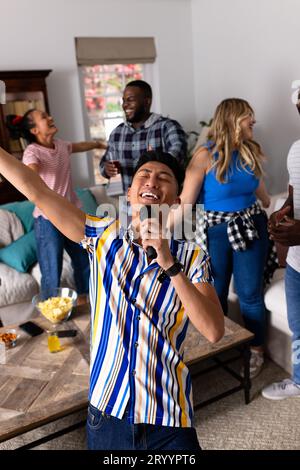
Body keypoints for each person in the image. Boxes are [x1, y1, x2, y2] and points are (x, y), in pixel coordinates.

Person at [0, 146, 224, 450]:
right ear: (130, 192)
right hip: (107, 416)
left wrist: (169, 263)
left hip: (169, 419)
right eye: (144, 174)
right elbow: (35, 189)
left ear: (175, 199)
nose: (152, 181)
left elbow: (213, 330)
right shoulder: (101, 236)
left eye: (164, 177)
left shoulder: (194, 257)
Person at [176, 98, 272, 379]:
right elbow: (184, 204)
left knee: (249, 295)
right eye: (248, 117)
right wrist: (154, 226)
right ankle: (216, 348)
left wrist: (267, 201)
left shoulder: (251, 151)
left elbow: (262, 193)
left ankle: (256, 351)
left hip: (252, 226)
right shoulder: (204, 156)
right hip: (217, 231)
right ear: (231, 120)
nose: (253, 121)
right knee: (214, 292)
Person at [6, 109, 107, 301]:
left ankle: (88, 303)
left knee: (84, 261)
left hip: (72, 215)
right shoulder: (32, 152)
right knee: (52, 269)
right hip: (47, 221)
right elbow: (30, 176)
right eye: (44, 117)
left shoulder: (61, 145)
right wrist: (32, 175)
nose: (50, 117)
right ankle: (51, 312)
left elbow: (80, 145)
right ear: (35, 130)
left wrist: (98, 143)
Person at [262, 92, 300, 400]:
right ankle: (299, 380)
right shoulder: (296, 149)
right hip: (299, 262)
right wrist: (281, 212)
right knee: (299, 326)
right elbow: (293, 195)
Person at [99, 80, 187, 194]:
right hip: (129, 207)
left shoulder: (168, 127)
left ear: (147, 101)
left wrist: (154, 159)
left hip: (162, 206)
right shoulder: (117, 133)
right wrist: (106, 169)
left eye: (130, 99)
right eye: (124, 100)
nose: (125, 105)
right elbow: (103, 164)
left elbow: (178, 156)